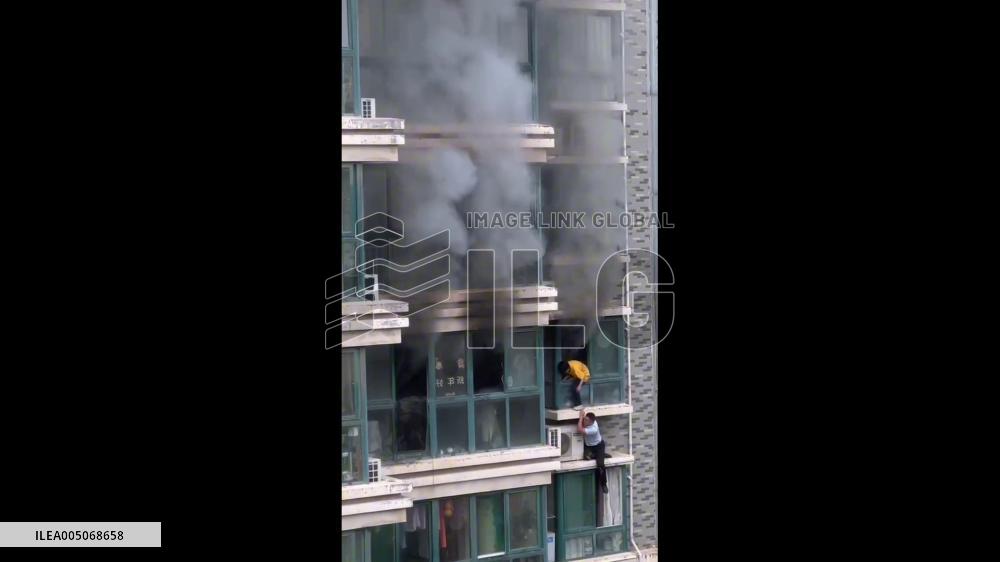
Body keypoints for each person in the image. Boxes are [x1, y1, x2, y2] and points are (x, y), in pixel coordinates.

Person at [578, 410, 608, 494]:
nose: (585, 421)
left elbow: (580, 430)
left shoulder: (594, 429)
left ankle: (604, 484)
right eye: (585, 419)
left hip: (598, 446)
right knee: (586, 458)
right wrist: (582, 416)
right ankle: (599, 455)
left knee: (600, 465)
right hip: (588, 446)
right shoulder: (587, 421)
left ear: (592, 422)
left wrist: (580, 418)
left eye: (587, 421)